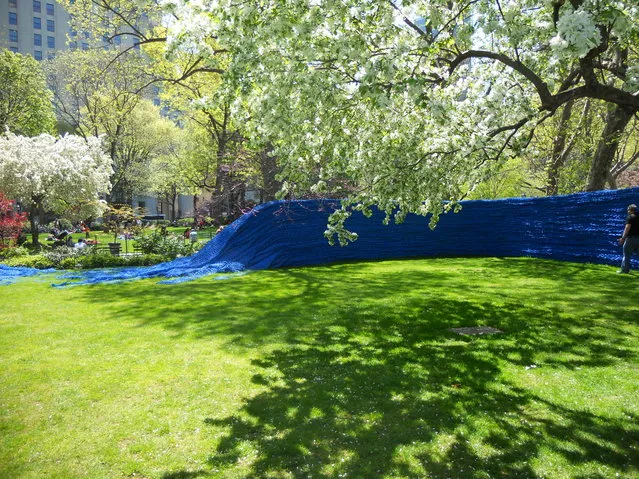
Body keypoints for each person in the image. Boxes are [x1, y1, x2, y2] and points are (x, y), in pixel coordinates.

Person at [617, 203, 639, 273]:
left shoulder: (630, 217)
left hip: (631, 239)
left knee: (626, 255)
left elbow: (627, 228)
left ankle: (624, 270)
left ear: (630, 210)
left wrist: (623, 238)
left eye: (628, 210)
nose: (627, 211)